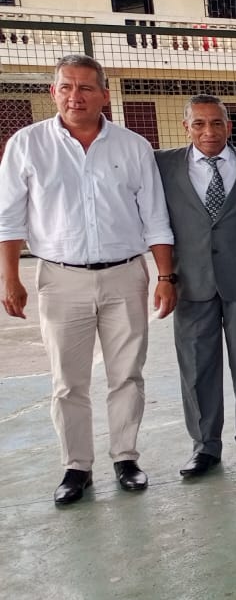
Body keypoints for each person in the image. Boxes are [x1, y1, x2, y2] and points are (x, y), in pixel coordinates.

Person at [0, 54, 175, 504]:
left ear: (103, 94)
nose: (74, 96)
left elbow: (155, 217)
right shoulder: (27, 144)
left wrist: (165, 275)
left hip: (125, 276)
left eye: (85, 88)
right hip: (60, 279)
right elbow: (8, 218)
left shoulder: (133, 146)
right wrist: (10, 278)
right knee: (67, 381)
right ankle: (76, 467)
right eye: (65, 86)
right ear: (53, 91)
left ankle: (126, 458)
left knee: (127, 374)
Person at [155, 95, 236, 478]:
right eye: (199, 124)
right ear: (186, 127)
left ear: (228, 126)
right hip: (190, 281)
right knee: (197, 367)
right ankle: (204, 446)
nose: (208, 131)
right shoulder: (163, 166)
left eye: (216, 123)